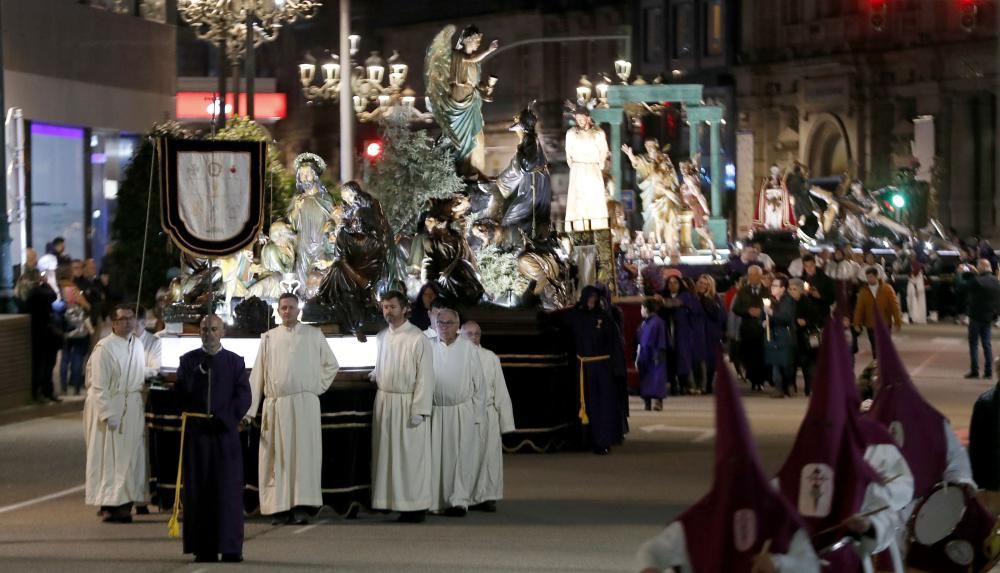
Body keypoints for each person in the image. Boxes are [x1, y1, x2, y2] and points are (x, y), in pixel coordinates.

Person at [636, 359, 820, 573]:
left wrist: (779, 564)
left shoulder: (778, 515)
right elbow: (651, 550)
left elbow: (810, 565)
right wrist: (648, 568)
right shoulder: (703, 517)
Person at [774, 320, 913, 572]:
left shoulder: (875, 441)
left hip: (862, 556)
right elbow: (781, 492)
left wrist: (868, 524)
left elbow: (898, 492)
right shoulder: (809, 442)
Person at [245, 293, 339, 524]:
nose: (287, 312)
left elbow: (331, 364)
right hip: (276, 407)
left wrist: (314, 387)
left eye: (291, 308)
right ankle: (279, 507)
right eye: (283, 308)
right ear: (278, 311)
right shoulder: (268, 338)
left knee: (302, 457)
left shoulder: (313, 335)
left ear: (299, 311)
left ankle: (300, 506)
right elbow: (257, 376)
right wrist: (249, 410)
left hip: (304, 406)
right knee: (277, 459)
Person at [174, 315, 251, 563]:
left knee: (227, 490)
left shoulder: (234, 362)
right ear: (199, 332)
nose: (209, 334)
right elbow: (180, 393)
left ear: (223, 332)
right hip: (198, 435)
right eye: (205, 329)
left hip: (224, 434)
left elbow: (243, 396)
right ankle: (203, 547)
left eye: (214, 329)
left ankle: (230, 547)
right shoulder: (188, 361)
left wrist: (225, 418)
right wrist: (198, 374)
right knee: (200, 491)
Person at [370, 291, 435, 523]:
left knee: (409, 457)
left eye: (392, 307)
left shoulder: (417, 338)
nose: (388, 311)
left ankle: (415, 506)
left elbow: (425, 377)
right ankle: (389, 502)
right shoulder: (381, 337)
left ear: (404, 308)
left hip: (408, 404)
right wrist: (377, 373)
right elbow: (383, 363)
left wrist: (419, 409)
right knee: (387, 455)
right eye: (385, 307)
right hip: (385, 402)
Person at [83, 304, 146, 522]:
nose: (128, 322)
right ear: (114, 323)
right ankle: (113, 503)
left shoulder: (136, 344)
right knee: (112, 459)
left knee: (131, 456)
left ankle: (126, 500)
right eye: (123, 319)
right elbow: (98, 385)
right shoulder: (104, 348)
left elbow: (138, 371)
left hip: (132, 406)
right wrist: (108, 413)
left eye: (131, 318)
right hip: (112, 405)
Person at [559, 286, 628, 454]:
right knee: (583, 404)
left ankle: (602, 440)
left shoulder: (604, 318)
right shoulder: (576, 316)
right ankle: (584, 440)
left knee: (602, 405)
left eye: (595, 297)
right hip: (582, 368)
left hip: (601, 368)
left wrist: (617, 369)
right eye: (589, 297)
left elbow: (615, 344)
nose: (592, 300)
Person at [429, 308, 482, 516]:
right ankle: (434, 501)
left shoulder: (468, 348)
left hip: (460, 411)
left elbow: (480, 385)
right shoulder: (428, 346)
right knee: (435, 458)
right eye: (440, 323)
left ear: (457, 326)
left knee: (459, 458)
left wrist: (477, 416)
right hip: (435, 411)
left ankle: (458, 500)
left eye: (448, 323)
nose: (443, 327)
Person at [461, 320, 515, 512]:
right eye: (470, 334)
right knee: (468, 457)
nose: (474, 338)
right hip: (466, 414)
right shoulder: (457, 356)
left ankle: (488, 496)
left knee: (489, 457)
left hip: (488, 413)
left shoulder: (490, 357)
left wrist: (505, 421)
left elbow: (500, 390)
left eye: (477, 334)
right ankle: (464, 496)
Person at [565, 106, 610, 232]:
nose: (579, 121)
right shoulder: (571, 133)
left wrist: (597, 166)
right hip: (578, 169)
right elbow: (568, 154)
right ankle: (578, 230)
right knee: (578, 201)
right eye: (577, 119)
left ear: (588, 118)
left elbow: (604, 152)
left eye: (582, 119)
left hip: (593, 168)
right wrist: (576, 167)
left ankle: (598, 229)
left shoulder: (598, 133)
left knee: (594, 200)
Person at [657, 275, 701, 395]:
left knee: (683, 359)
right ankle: (673, 385)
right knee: (670, 358)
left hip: (682, 333)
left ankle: (684, 385)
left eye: (675, 282)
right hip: (668, 332)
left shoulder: (686, 296)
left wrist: (663, 301)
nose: (672, 285)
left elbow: (679, 304)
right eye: (670, 283)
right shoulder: (664, 295)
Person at [27, 257, 62, 403]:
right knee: (41, 365)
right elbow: (52, 296)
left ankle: (47, 391)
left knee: (49, 364)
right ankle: (40, 392)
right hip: (40, 334)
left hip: (47, 333)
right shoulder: (36, 293)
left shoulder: (40, 291)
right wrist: (46, 284)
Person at [960, 259, 1000, 379]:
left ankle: (975, 370)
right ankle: (988, 371)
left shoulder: (976, 280)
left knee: (974, 344)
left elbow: (963, 285)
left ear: (981, 267)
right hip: (988, 316)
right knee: (987, 344)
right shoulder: (995, 281)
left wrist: (966, 272)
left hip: (975, 316)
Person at [732, 266, 769, 391]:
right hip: (747, 329)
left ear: (760, 276)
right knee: (750, 356)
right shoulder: (742, 291)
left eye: (756, 275)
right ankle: (753, 380)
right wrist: (748, 311)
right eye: (751, 275)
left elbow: (772, 306)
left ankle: (761, 381)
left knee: (762, 356)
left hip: (762, 329)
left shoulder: (767, 291)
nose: (753, 277)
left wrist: (761, 312)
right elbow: (736, 308)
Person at [853, 268, 903, 358]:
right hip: (870, 324)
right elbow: (859, 308)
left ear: (876, 276)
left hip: (885, 323)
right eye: (867, 277)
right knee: (874, 346)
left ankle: (886, 363)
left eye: (871, 277)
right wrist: (857, 323)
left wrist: (897, 322)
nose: (869, 279)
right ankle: (877, 364)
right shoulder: (863, 291)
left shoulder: (887, 289)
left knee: (884, 345)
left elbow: (894, 306)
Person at [58, 264, 93, 396]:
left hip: (65, 328)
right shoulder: (74, 289)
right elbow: (87, 306)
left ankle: (63, 387)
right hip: (78, 330)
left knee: (65, 358)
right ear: (70, 274)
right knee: (77, 357)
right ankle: (77, 387)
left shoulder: (59, 289)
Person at [970, 364, 1000, 514]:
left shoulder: (985, 402)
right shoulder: (985, 403)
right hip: (993, 482)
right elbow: (976, 447)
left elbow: (975, 446)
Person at [789, 279, 824, 397]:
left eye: (794, 289)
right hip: (794, 336)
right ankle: (792, 385)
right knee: (794, 362)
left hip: (807, 337)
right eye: (790, 289)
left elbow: (818, 318)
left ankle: (809, 387)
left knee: (807, 363)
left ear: (800, 290)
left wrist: (806, 322)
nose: (792, 291)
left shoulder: (808, 302)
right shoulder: (790, 303)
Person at [765, 274, 797, 398]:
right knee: (775, 363)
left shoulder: (788, 301)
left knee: (786, 363)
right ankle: (779, 388)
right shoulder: (770, 300)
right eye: (772, 285)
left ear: (783, 288)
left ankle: (788, 384)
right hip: (773, 336)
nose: (772, 288)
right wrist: (763, 321)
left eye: (775, 286)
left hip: (785, 336)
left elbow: (787, 317)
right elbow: (764, 316)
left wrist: (772, 314)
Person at [697, 274, 727, 395]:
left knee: (710, 360)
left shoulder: (715, 299)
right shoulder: (694, 297)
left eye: (706, 284)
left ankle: (708, 384)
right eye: (701, 283)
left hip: (711, 333)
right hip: (699, 332)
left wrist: (705, 299)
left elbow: (719, 316)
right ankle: (701, 384)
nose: (703, 286)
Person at [635, 299, 668, 411]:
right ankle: (647, 402)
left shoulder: (657, 322)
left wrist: (658, 353)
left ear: (646, 309)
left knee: (656, 378)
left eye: (642, 308)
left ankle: (658, 402)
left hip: (655, 353)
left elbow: (660, 339)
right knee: (646, 378)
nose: (641, 310)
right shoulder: (645, 323)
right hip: (645, 353)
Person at [904, 260, 927, 325]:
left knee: (916, 304)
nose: (912, 268)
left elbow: (919, 285)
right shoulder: (913, 273)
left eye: (912, 267)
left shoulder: (919, 274)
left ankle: (915, 317)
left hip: (916, 292)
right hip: (913, 291)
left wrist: (916, 288)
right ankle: (912, 317)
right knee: (912, 304)